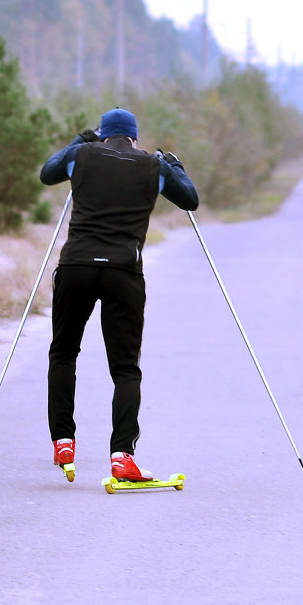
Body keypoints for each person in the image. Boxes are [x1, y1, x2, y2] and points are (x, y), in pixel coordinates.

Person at [38, 107, 199, 482]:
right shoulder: (152, 167)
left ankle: (63, 440)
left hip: (76, 267)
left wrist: (80, 140)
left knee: (63, 353)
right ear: (134, 139)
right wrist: (173, 165)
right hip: (123, 274)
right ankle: (122, 455)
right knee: (125, 368)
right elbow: (190, 200)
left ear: (103, 135)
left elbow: (48, 174)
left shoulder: (82, 155)